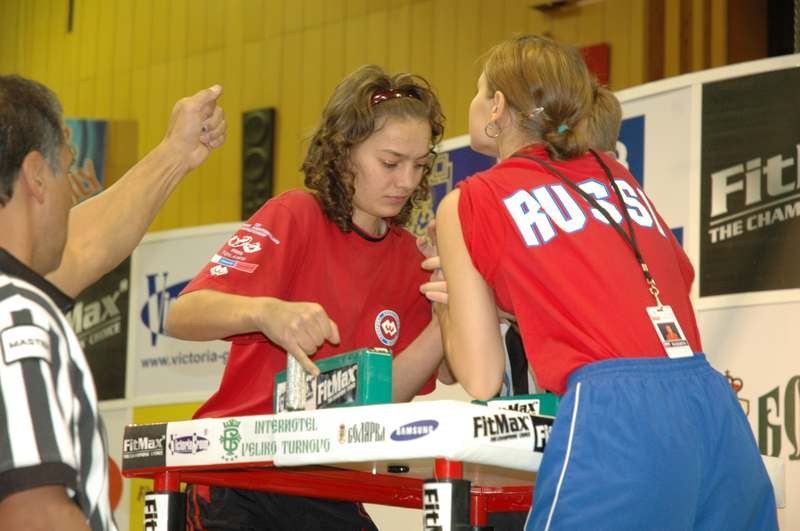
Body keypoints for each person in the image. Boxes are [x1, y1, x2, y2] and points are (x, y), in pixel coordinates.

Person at [427, 35, 777, 530]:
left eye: (478, 90)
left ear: (497, 107)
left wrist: (448, 306)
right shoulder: (615, 174)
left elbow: (483, 378)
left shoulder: (468, 200)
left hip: (618, 415)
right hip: (713, 408)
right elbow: (673, 278)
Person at [165, 64, 446, 530]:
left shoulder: (410, 259)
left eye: (419, 166)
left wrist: (446, 316)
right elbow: (181, 314)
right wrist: (265, 311)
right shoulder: (296, 214)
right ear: (344, 152)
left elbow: (382, 400)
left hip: (327, 485)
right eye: (391, 163)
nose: (406, 182)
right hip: (241, 479)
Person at [0, 75, 226, 531]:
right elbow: (34, 513)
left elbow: (84, 248)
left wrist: (175, 154)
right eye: (68, 167)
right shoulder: (18, 314)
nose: (72, 196)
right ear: (37, 176)